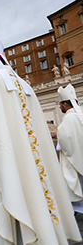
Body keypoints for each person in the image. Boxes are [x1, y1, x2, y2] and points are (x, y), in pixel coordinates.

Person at [0, 35, 81, 244]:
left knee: (14, 193)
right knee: (38, 195)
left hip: (9, 157)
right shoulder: (24, 85)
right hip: (36, 161)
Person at [57, 83, 83, 214]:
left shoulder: (68, 118)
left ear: (66, 105)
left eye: (61, 104)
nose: (60, 107)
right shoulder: (81, 114)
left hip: (73, 161)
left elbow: (64, 139)